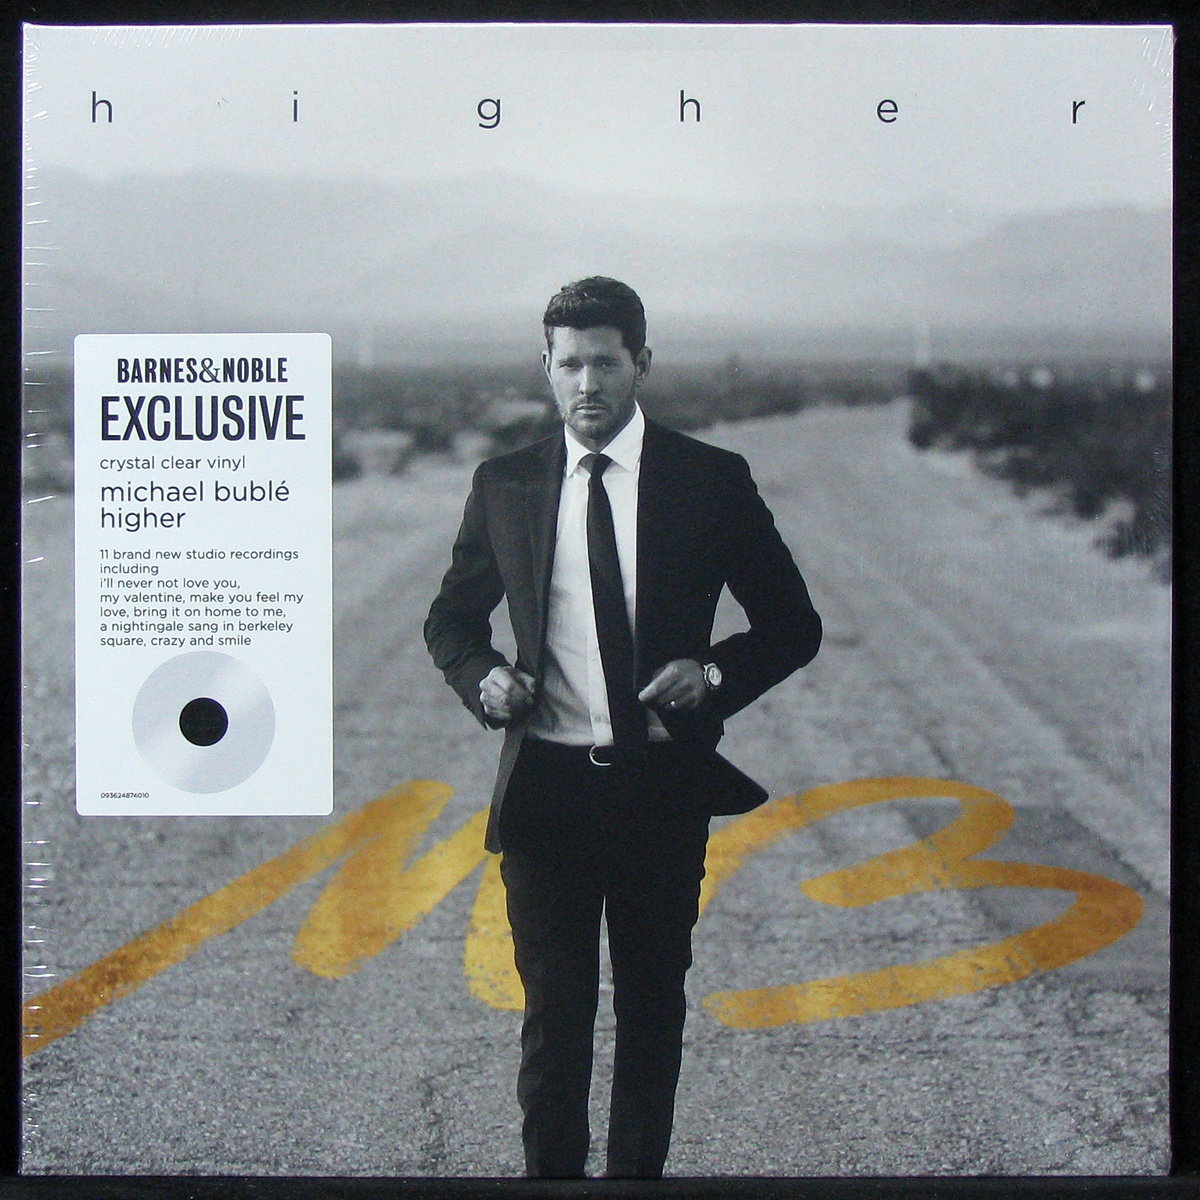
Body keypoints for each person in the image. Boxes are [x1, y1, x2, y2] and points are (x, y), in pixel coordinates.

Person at [424, 276, 821, 1178]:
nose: (587, 383)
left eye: (606, 362)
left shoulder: (710, 480)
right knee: (553, 1025)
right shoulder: (506, 485)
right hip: (548, 792)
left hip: (659, 790)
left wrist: (711, 674)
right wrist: (484, 677)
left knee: (650, 1016)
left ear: (641, 363)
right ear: (545, 368)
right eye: (569, 364)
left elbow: (793, 626)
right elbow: (451, 620)